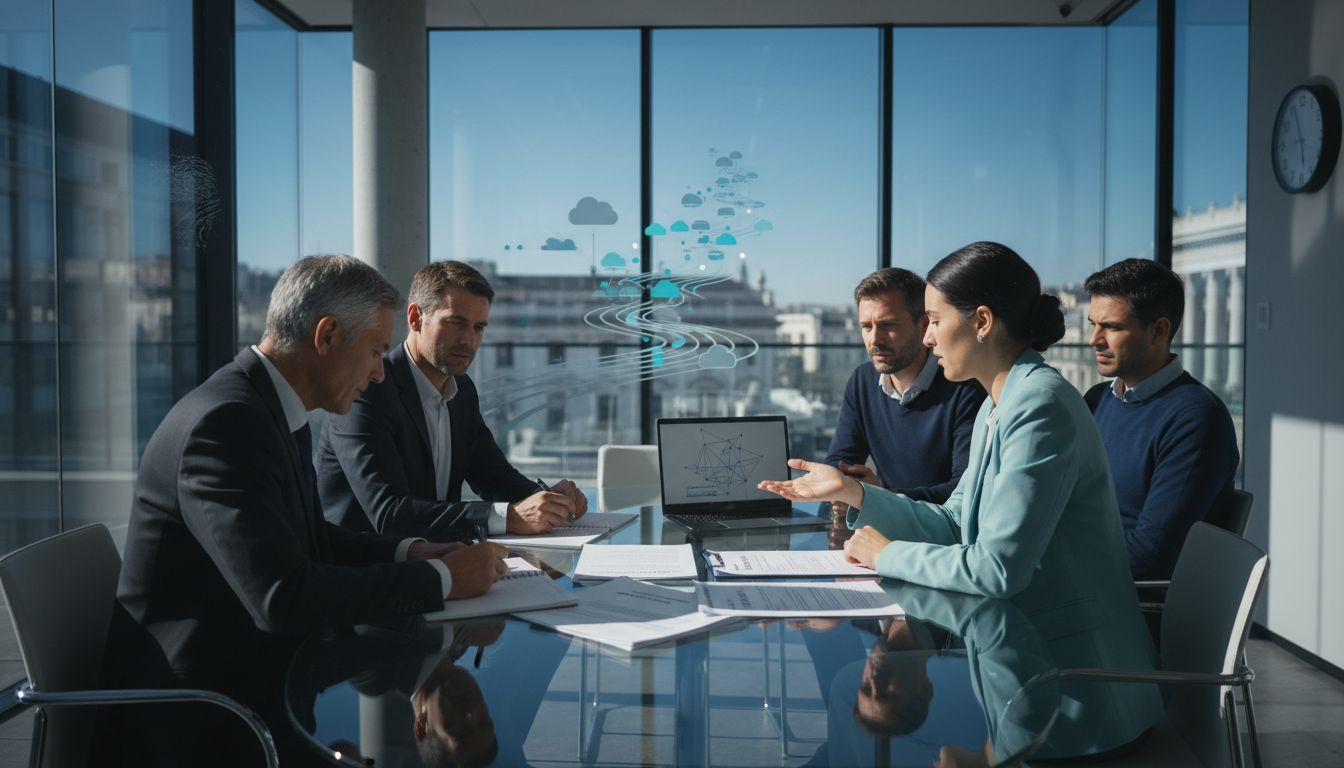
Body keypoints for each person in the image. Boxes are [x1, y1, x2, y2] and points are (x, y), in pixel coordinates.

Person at [115, 254, 508, 767]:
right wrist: (443, 579)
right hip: (206, 713)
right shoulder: (227, 424)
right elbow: (282, 597)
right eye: (374, 351)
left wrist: (412, 552)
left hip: (262, 676)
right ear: (327, 336)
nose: (378, 373)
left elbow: (308, 536)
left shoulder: (264, 406)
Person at [758, 242, 1153, 616]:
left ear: (982, 322)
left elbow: (997, 568)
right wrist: (854, 492)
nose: (928, 338)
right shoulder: (998, 402)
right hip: (1020, 635)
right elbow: (953, 522)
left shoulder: (1039, 404)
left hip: (1068, 654)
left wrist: (886, 554)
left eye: (934, 321)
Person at [318, 260, 588, 540]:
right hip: (369, 562)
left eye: (478, 327)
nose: (468, 340)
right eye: (455, 323)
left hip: (441, 555)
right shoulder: (367, 389)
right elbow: (391, 514)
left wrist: (547, 499)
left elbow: (492, 475)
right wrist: (510, 517)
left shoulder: (462, 390)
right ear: (415, 317)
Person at [1083, 259, 1240, 580]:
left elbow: (1148, 558)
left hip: (1132, 598)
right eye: (1093, 324)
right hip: (1086, 580)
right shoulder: (1097, 400)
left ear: (1158, 331)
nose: (1094, 339)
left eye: (1111, 327)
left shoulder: (1197, 419)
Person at [825, 268, 984, 519]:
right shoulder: (862, 381)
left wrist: (877, 498)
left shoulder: (965, 387)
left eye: (888, 326)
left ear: (923, 326)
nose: (874, 339)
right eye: (866, 327)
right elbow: (840, 459)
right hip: (886, 524)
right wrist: (843, 483)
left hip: (945, 531)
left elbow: (964, 490)